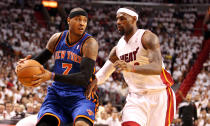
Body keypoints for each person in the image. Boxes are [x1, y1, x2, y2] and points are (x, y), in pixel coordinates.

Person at [86, 7, 176, 126]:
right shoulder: (118, 48)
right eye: (117, 19)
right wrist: (92, 82)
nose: (118, 22)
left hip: (159, 95)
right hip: (135, 98)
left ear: (134, 19)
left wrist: (131, 67)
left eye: (122, 18)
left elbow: (157, 68)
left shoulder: (147, 37)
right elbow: (103, 73)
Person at [16, 8, 99, 126]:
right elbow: (39, 61)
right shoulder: (57, 38)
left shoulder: (90, 43)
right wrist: (22, 66)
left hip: (81, 95)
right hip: (57, 94)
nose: (82, 23)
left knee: (82, 124)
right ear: (69, 20)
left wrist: (51, 75)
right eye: (78, 19)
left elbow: (84, 78)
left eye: (85, 21)